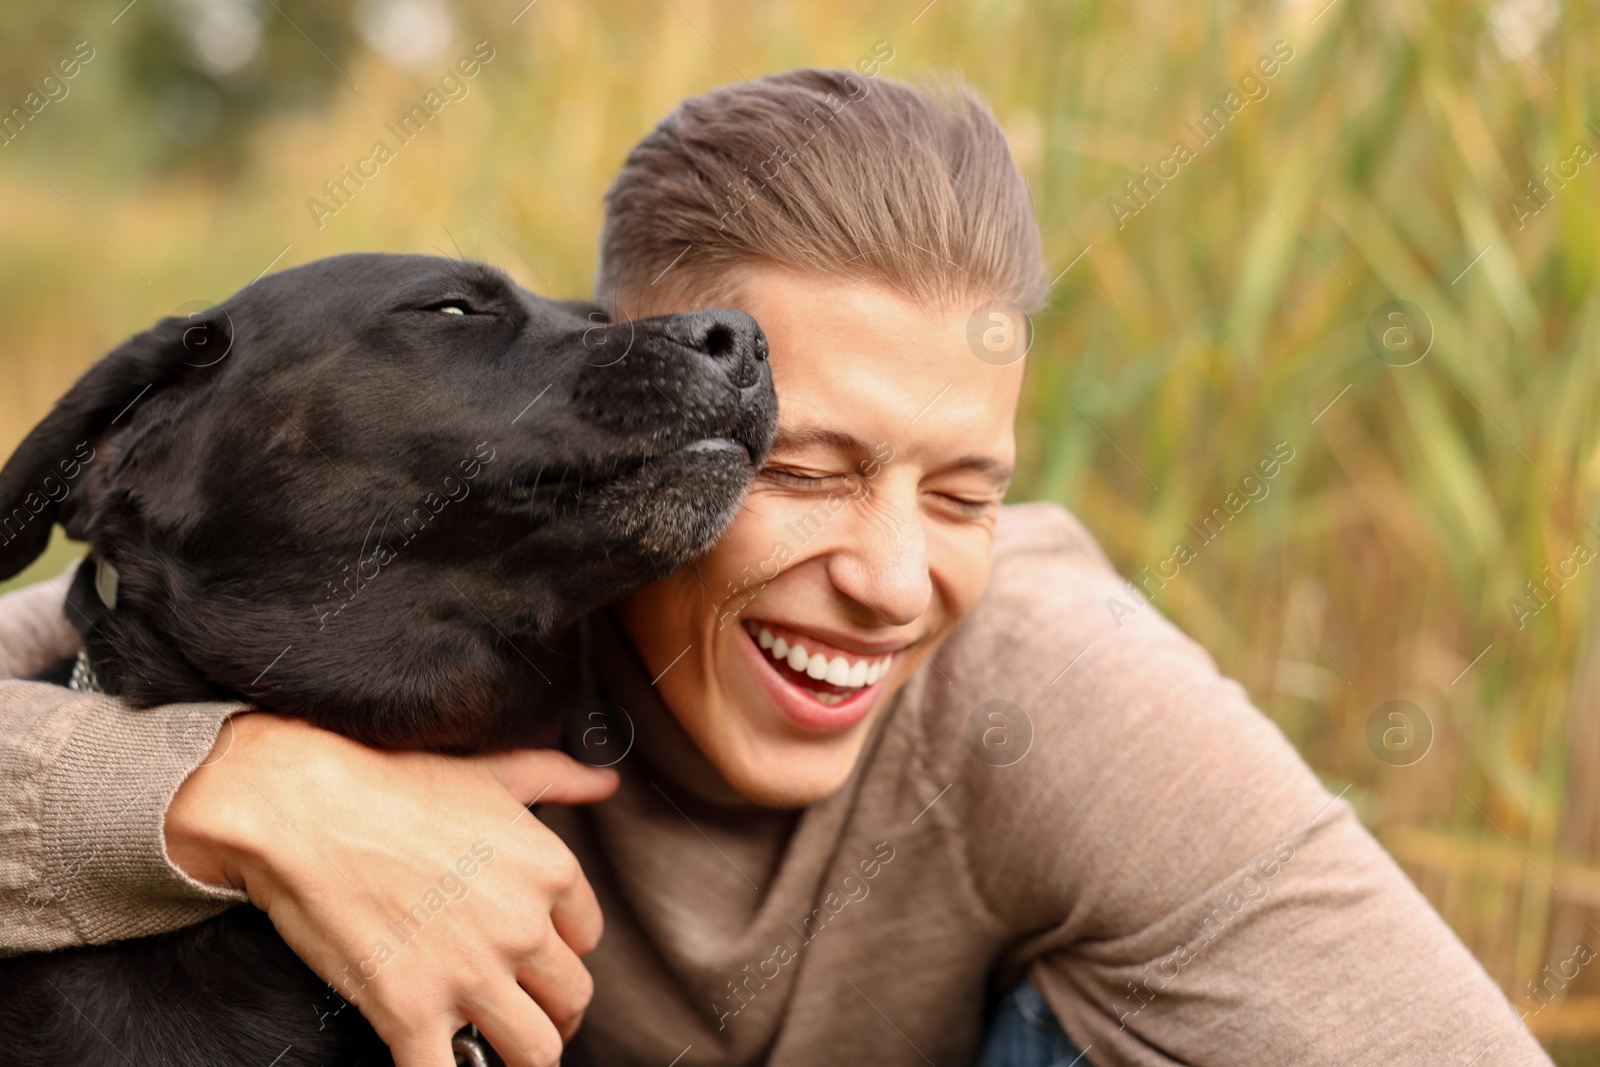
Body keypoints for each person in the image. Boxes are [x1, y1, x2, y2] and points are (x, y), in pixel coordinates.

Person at [0, 69, 1551, 1067]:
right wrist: (235, 792)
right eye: (798, 469)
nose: (889, 580)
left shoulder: (1049, 694)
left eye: (964, 494)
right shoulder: (540, 556)